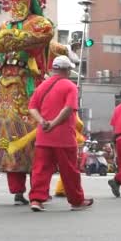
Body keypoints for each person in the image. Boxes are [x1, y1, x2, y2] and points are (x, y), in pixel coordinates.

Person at [27, 55, 93, 212]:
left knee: (40, 170)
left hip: (43, 136)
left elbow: (32, 108)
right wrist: (54, 123)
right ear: (67, 70)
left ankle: (36, 200)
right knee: (70, 171)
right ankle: (76, 201)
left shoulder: (42, 86)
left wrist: (42, 121)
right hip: (63, 137)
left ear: (54, 69)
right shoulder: (70, 86)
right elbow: (69, 108)